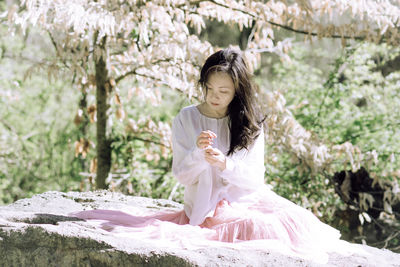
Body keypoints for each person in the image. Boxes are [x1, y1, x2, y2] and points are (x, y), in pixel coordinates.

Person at [71, 47, 351, 263]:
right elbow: (181, 175)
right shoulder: (186, 118)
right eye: (209, 89)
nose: (214, 97)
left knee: (280, 226)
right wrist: (198, 154)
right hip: (204, 209)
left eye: (223, 91)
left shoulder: (250, 121)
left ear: (237, 92)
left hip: (247, 203)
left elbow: (255, 179)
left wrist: (225, 164)